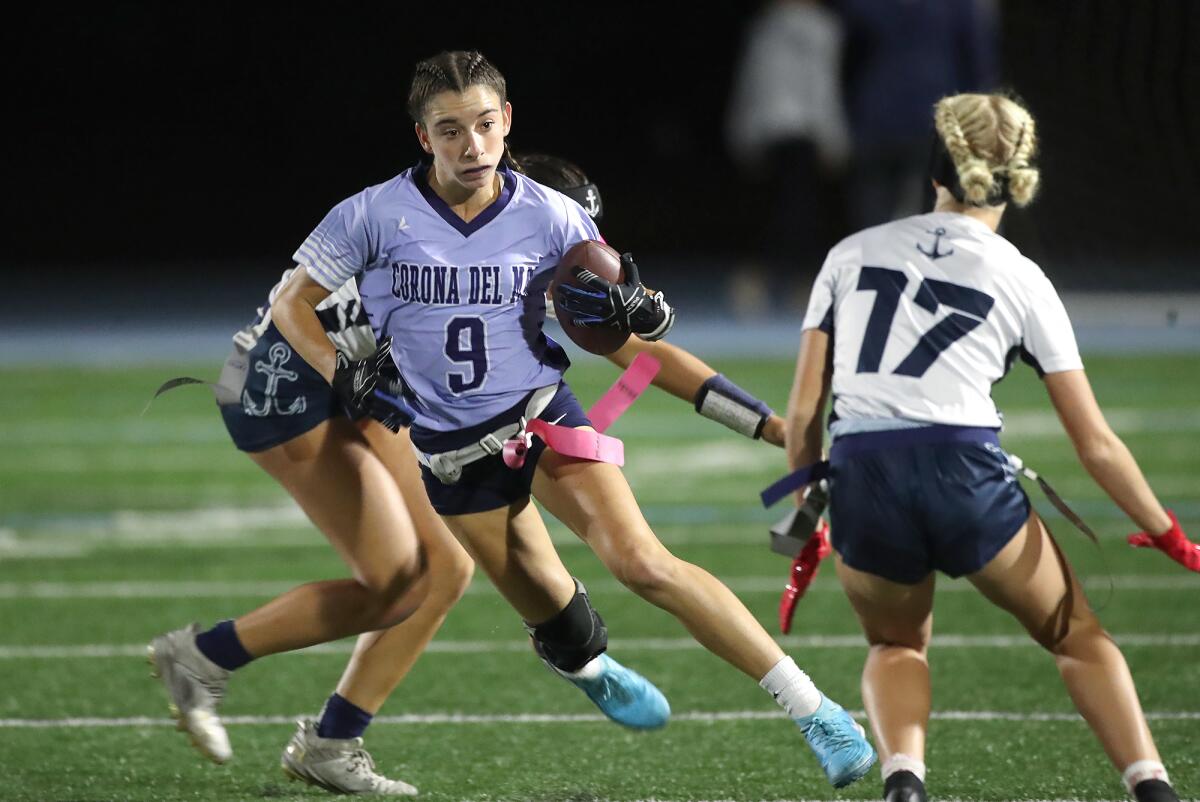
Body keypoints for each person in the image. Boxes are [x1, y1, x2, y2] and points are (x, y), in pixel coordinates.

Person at [268, 48, 874, 791]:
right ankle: (588, 665)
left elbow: (641, 355)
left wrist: (769, 425)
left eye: (485, 125)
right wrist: (341, 369)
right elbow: (290, 305)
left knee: (644, 563)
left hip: (539, 419)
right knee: (566, 630)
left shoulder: (551, 217)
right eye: (450, 130)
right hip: (453, 457)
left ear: (507, 122)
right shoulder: (371, 214)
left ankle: (815, 709)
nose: (472, 145)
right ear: (423, 137)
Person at [145, 140, 824, 795]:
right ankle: (219, 667)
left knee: (437, 570)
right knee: (417, 574)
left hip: (367, 379)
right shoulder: (461, 254)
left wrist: (764, 421)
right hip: (288, 388)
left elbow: (641, 357)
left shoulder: (503, 232)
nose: (579, 257)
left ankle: (315, 728)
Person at [785, 92, 1190, 802]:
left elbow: (802, 412)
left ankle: (905, 783)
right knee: (1076, 636)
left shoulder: (850, 254)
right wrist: (1169, 534)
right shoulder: (1021, 275)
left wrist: (808, 512)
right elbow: (1093, 442)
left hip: (863, 477)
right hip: (964, 472)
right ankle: (1151, 787)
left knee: (896, 645)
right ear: (1023, 178)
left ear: (936, 169)